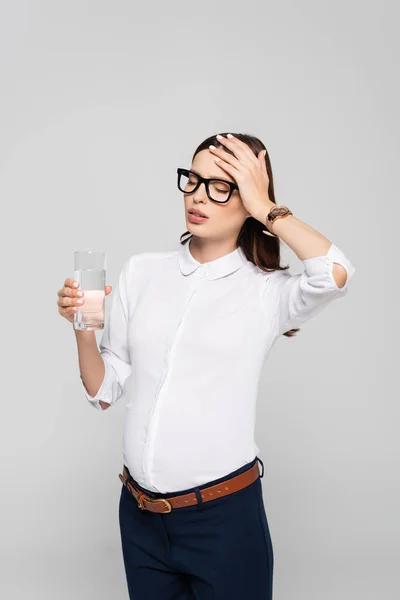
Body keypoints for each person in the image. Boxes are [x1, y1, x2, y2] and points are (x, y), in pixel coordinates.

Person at [57, 132, 355, 599]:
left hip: (224, 521)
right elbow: (103, 392)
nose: (198, 195)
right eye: (193, 179)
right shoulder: (142, 272)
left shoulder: (267, 291)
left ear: (251, 199)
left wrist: (267, 208)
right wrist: (81, 329)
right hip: (139, 519)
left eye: (222, 186)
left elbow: (334, 273)